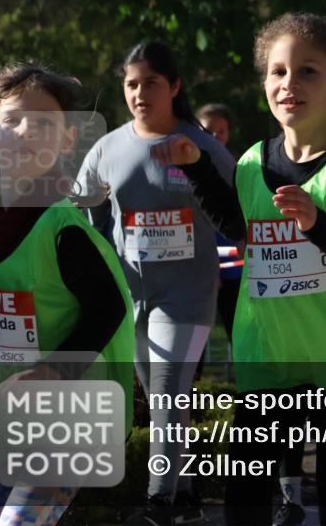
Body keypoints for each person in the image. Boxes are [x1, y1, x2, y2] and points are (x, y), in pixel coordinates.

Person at [150, 12, 326, 526]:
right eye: (278, 71)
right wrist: (197, 167)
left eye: (308, 71)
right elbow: (238, 225)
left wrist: (315, 221)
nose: (290, 83)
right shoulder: (252, 161)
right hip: (269, 357)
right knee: (244, 498)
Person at [0, 63, 134, 526]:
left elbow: (108, 308)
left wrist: (53, 371)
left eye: (43, 124)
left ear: (67, 139)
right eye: (13, 120)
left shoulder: (62, 227)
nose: (26, 132)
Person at [78, 43, 236, 526]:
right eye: (131, 84)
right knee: (162, 399)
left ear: (174, 86)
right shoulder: (108, 147)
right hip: (132, 296)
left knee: (168, 390)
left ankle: (157, 503)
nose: (139, 93)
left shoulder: (200, 145)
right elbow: (81, 211)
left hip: (187, 295)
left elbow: (236, 206)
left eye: (151, 82)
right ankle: (185, 496)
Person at [195, 103, 240, 345]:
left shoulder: (239, 168)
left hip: (233, 268)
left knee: (239, 331)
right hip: (198, 269)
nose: (216, 137)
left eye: (221, 131)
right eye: (208, 131)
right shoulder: (181, 171)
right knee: (194, 338)